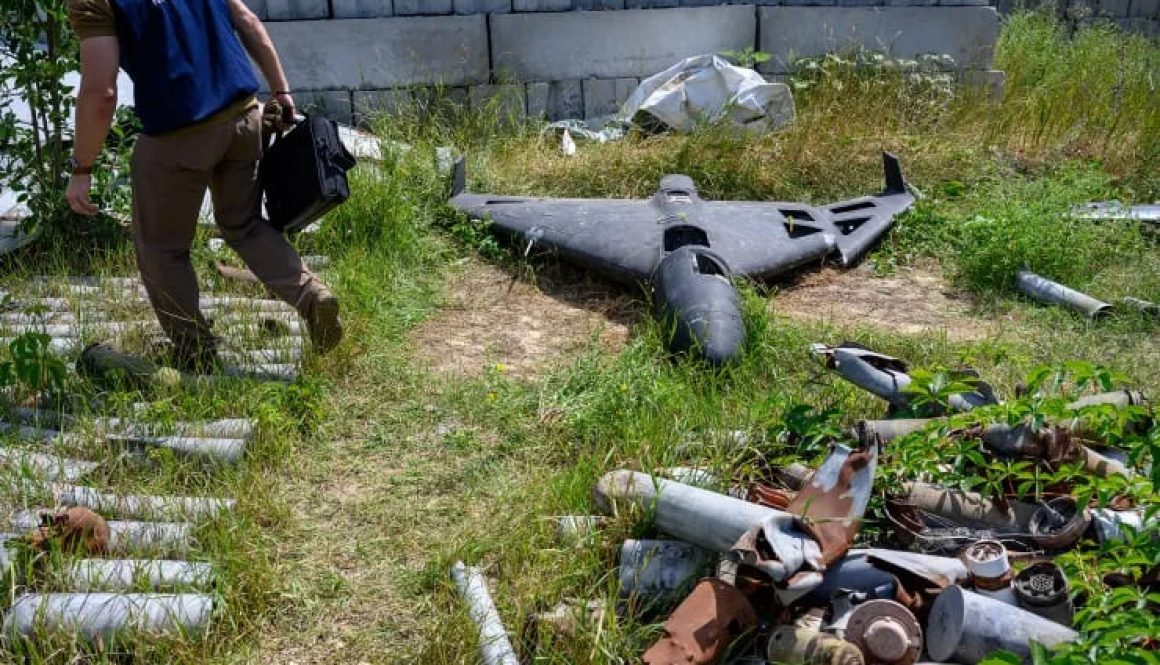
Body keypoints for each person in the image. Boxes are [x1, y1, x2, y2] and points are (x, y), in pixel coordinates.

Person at [64, 0, 342, 370]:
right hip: (244, 117)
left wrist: (82, 168)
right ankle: (312, 295)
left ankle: (194, 352)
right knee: (243, 225)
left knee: (162, 247)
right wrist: (281, 92)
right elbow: (246, 20)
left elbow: (102, 93)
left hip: (177, 135)